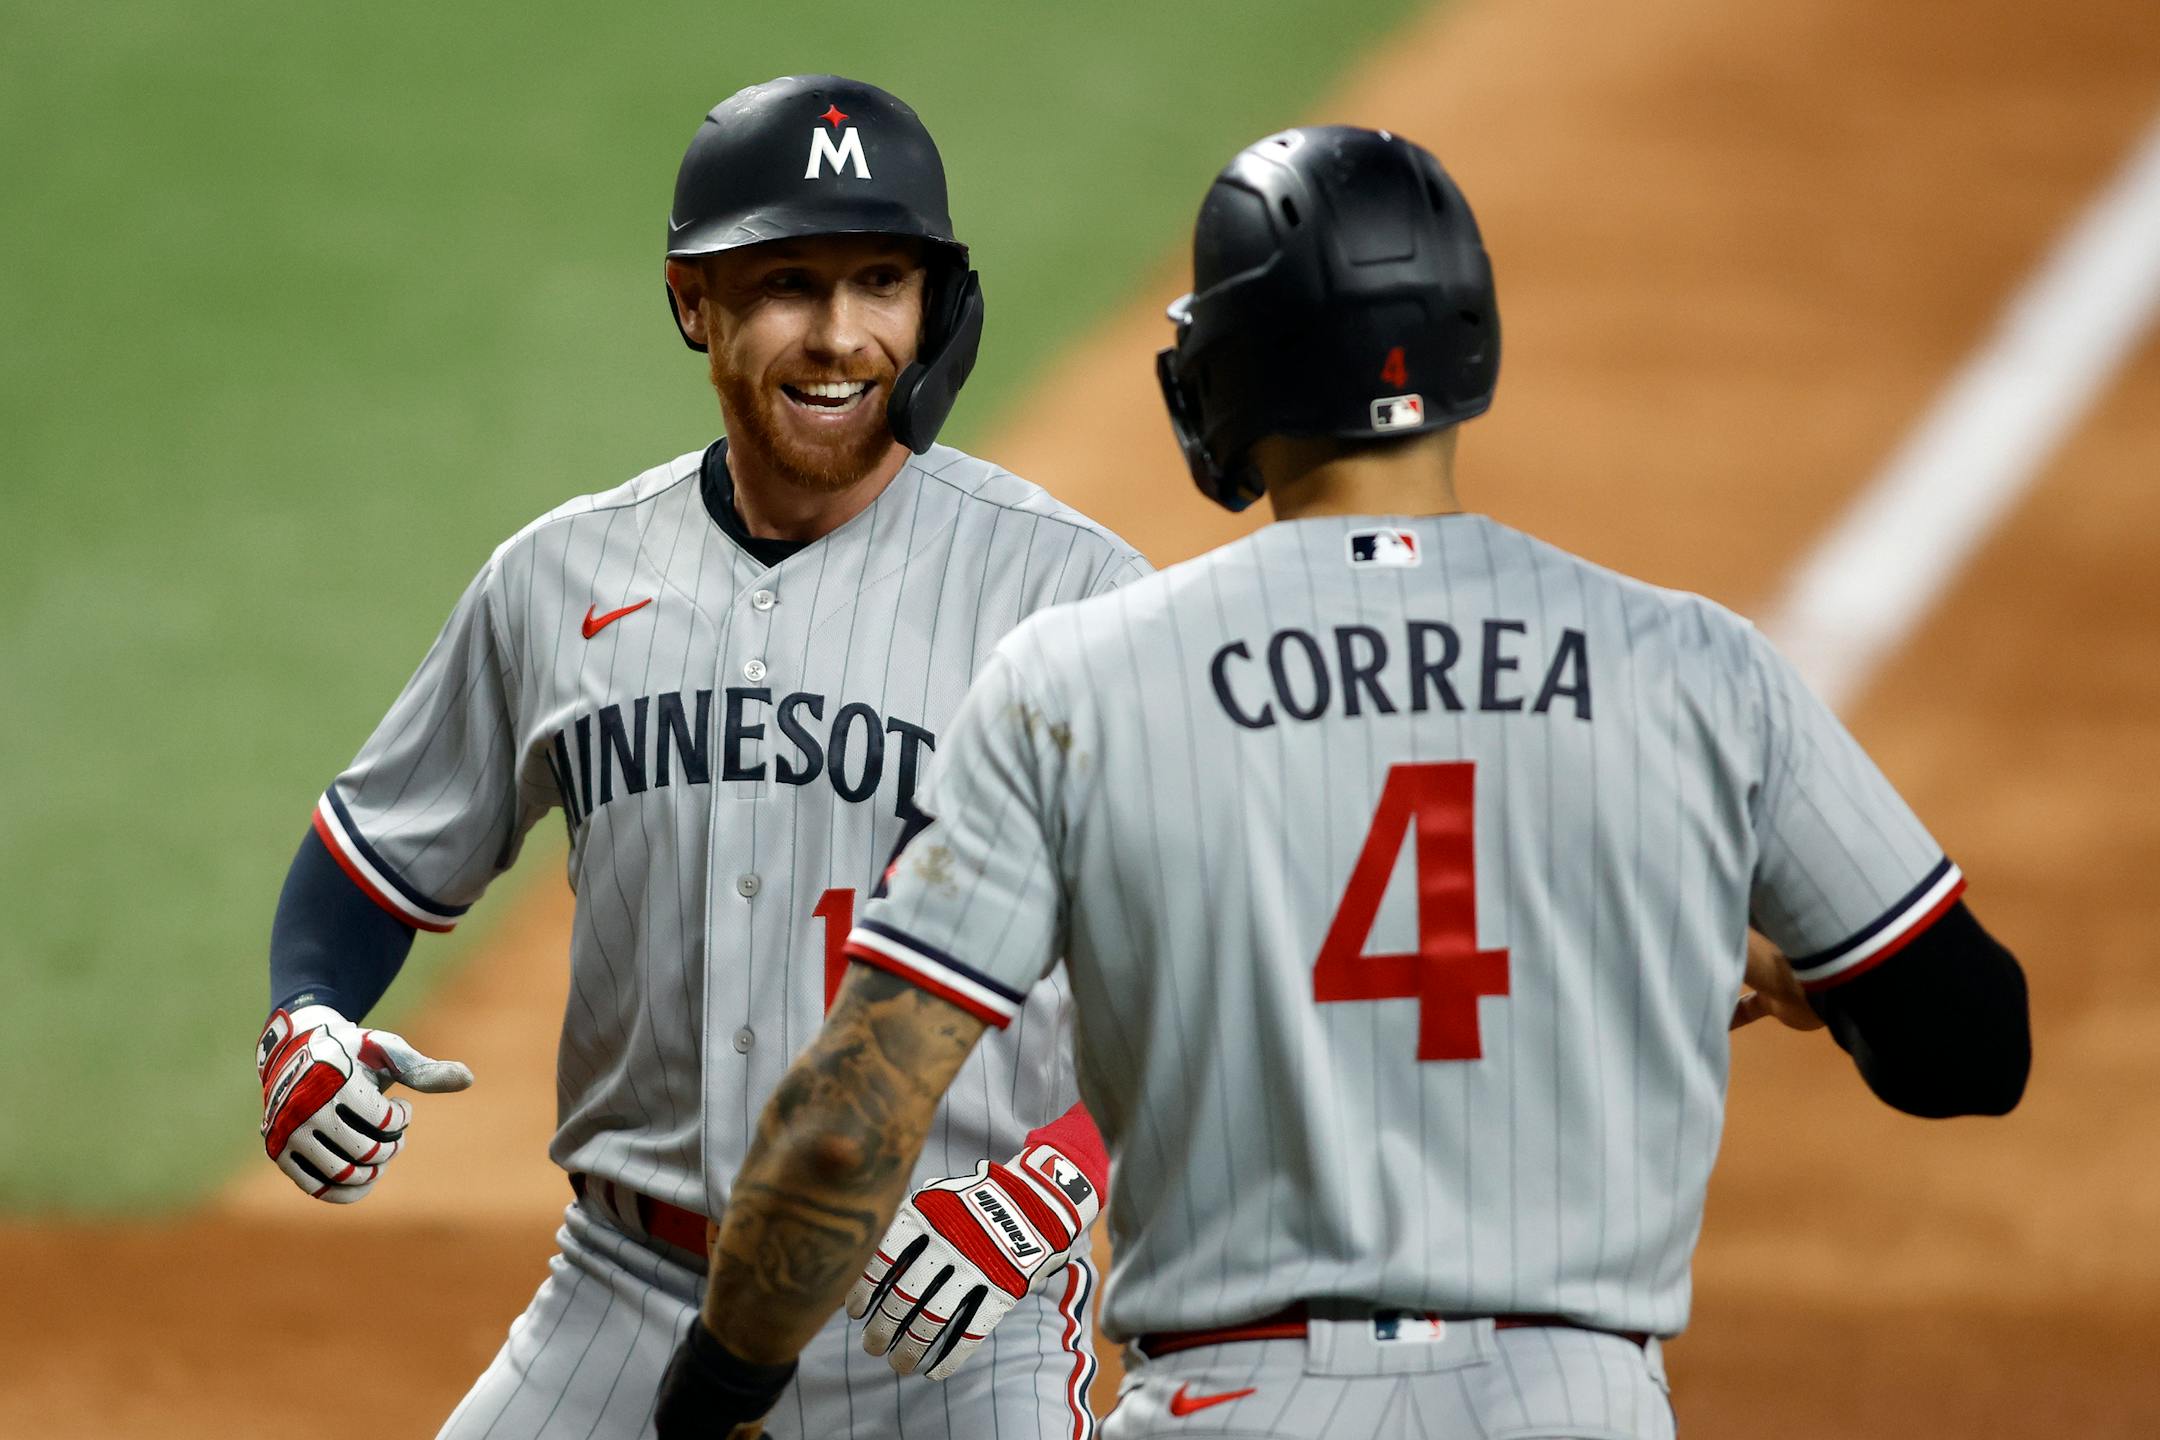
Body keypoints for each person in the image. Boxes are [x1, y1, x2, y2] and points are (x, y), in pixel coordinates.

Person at [662, 125, 2032, 1439]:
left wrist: (715, 1390)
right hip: (1577, 1407)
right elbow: (1972, 1047)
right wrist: (1809, 989)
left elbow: (847, 1132)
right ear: (1466, 346)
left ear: (1228, 372)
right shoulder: (1694, 665)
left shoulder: (1074, 678)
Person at [253, 74, 1147, 1439]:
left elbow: (1218, 958)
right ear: (694, 303)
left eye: (882, 281)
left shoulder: (1074, 592)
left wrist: (1061, 1179)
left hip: (944, 1302)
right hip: (627, 1280)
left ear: (936, 306)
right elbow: (367, 861)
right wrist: (305, 1012)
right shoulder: (559, 580)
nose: (841, 334)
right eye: (787, 282)